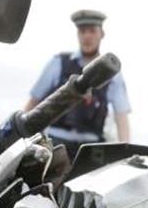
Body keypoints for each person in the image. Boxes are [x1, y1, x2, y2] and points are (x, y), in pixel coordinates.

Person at [25, 9, 131, 160]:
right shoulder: (58, 63)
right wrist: (21, 139)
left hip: (91, 150)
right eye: (82, 31)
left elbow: (121, 117)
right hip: (55, 144)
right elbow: (32, 104)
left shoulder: (112, 73)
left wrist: (125, 154)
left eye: (92, 31)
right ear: (77, 34)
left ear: (102, 34)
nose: (87, 36)